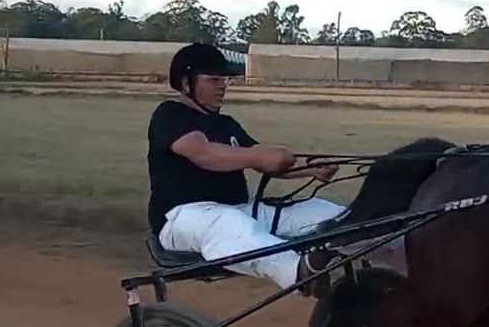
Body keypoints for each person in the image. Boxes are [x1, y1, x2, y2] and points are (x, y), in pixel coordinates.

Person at [147, 42, 344, 296]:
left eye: (225, 80)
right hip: (183, 218)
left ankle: (387, 249)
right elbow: (203, 154)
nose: (223, 87)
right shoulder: (170, 114)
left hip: (239, 209)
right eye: (213, 80)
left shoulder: (226, 124)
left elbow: (263, 160)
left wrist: (312, 170)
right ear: (186, 83)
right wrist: (259, 156)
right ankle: (299, 272)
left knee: (322, 213)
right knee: (229, 223)